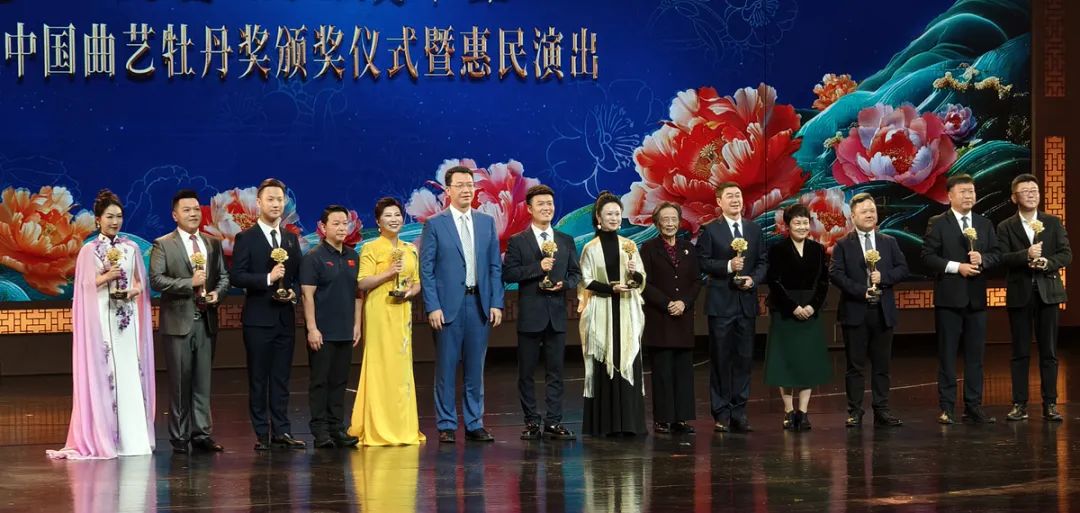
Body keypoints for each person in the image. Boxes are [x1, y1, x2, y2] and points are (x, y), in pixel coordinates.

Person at [48, 189, 155, 459]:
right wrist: (106, 277)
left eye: (118, 216)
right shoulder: (89, 250)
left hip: (127, 322)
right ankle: (105, 438)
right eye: (109, 216)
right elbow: (83, 287)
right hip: (102, 321)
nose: (115, 221)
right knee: (106, 373)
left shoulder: (131, 248)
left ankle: (133, 441)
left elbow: (141, 282)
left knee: (130, 373)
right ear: (98, 220)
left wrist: (133, 291)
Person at [420, 166, 504, 443]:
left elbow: (494, 266)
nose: (467, 190)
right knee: (446, 368)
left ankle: (474, 422)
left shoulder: (486, 222)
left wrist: (496, 302)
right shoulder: (435, 224)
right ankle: (446, 424)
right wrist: (432, 306)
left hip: (479, 304)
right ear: (448, 190)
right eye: (460, 185)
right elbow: (426, 270)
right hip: (447, 307)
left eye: (470, 185)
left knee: (475, 368)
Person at [149, 189, 230, 454]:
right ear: (175, 215)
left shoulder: (212, 243)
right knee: (180, 383)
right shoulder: (163, 244)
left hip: (206, 321)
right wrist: (189, 283)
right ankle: (179, 436)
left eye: (196, 209)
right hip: (178, 323)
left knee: (203, 382)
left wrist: (217, 293)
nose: (193, 214)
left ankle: (202, 434)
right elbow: (156, 280)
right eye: (187, 210)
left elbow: (224, 276)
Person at [230, 178, 306, 449]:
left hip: (285, 318)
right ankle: (262, 433)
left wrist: (293, 292)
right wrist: (268, 278)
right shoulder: (246, 238)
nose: (276, 204)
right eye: (270, 199)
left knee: (281, 377)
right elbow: (237, 276)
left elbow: (298, 275)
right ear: (259, 203)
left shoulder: (291, 239)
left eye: (280, 200)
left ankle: (282, 431)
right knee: (259, 378)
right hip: (258, 320)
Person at [502, 184, 582, 441]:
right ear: (529, 209)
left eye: (549, 203)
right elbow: (509, 274)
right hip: (530, 315)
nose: (547, 208)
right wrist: (538, 267)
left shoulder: (565, 240)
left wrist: (564, 284)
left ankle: (554, 422)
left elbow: (575, 274)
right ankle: (531, 421)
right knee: (526, 373)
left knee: (556, 372)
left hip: (556, 315)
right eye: (541, 204)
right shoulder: (518, 241)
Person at [921, 173, 999, 424]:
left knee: (976, 357)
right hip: (949, 300)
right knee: (947, 356)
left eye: (971, 191)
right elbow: (927, 257)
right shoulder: (938, 223)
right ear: (950, 196)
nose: (969, 196)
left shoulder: (984, 223)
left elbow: (997, 254)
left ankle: (974, 406)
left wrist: (983, 259)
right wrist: (957, 267)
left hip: (976, 300)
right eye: (963, 191)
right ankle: (947, 407)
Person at [349, 197, 427, 445]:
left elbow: (417, 283)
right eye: (388, 216)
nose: (394, 220)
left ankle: (402, 427)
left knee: (401, 369)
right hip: (379, 312)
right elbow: (362, 283)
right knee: (381, 366)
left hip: (402, 312)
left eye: (397, 215)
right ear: (378, 221)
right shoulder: (370, 248)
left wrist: (410, 292)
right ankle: (378, 426)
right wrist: (388, 273)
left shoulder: (410, 249)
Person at [996, 174, 1072, 422]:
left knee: (1049, 351)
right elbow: (1002, 258)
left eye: (1034, 190)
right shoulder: (1005, 226)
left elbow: (1066, 254)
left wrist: (1048, 262)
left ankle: (1050, 403)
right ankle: (1019, 404)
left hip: (1048, 294)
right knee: (1020, 351)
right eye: (1025, 191)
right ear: (1014, 197)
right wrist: (1026, 255)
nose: (1031, 194)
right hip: (1020, 294)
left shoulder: (1052, 222)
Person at [829, 193, 908, 428]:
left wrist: (884, 278)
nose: (870, 214)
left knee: (882, 365)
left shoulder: (888, 242)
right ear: (853, 216)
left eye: (872, 210)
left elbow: (902, 268)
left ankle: (882, 409)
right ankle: (855, 411)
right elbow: (835, 274)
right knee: (855, 366)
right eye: (864, 211)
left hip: (883, 312)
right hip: (855, 311)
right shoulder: (843, 244)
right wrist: (861, 291)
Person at [695, 182, 767, 433]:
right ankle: (721, 412)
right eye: (730, 196)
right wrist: (728, 266)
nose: (735, 200)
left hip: (746, 304)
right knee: (721, 359)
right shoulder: (710, 230)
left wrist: (753, 280)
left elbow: (762, 262)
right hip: (721, 304)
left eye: (738, 195)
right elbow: (702, 261)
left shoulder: (754, 229)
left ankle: (739, 411)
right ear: (719, 202)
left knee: (744, 359)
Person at [577, 191, 647, 436]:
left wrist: (634, 274)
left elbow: (641, 278)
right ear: (599, 217)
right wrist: (611, 288)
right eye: (609, 214)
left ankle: (629, 423)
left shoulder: (629, 245)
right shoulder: (590, 248)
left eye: (617, 213)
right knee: (603, 360)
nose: (615, 218)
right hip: (602, 309)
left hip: (626, 308)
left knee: (628, 355)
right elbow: (585, 280)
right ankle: (605, 424)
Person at [763, 204, 831, 431]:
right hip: (785, 312)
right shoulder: (777, 249)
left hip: (810, 311)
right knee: (786, 362)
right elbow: (774, 282)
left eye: (805, 223)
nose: (802, 227)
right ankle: (788, 411)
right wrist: (793, 307)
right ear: (787, 225)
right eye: (797, 223)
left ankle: (803, 412)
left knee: (806, 363)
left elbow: (823, 282)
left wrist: (812, 306)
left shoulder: (818, 249)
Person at [301, 205, 362, 448]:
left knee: (339, 382)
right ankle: (320, 431)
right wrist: (312, 328)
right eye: (335, 223)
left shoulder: (353, 256)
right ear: (323, 227)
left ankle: (337, 428)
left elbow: (358, 294)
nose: (341, 228)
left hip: (345, 330)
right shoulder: (313, 257)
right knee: (320, 382)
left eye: (344, 223)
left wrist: (357, 324)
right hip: (322, 332)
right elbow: (307, 296)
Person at [639, 202, 700, 434]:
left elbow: (696, 281)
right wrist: (666, 303)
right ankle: (663, 418)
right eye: (665, 219)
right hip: (660, 317)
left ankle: (681, 418)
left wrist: (684, 302)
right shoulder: (648, 248)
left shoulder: (688, 248)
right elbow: (644, 283)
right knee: (663, 371)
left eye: (674, 219)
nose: (670, 223)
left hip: (683, 316)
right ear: (657, 223)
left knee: (683, 371)